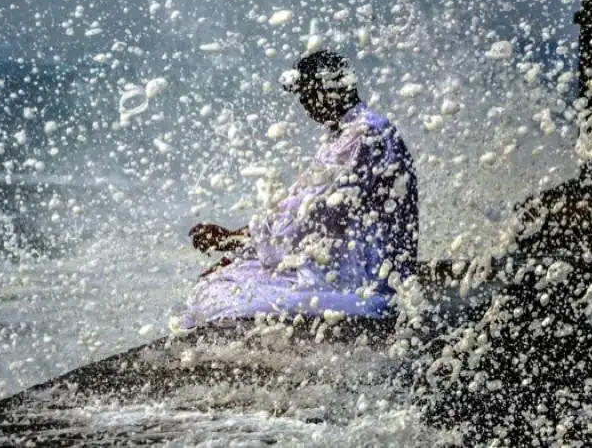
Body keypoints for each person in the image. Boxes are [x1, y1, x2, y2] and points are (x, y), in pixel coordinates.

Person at [172, 50, 419, 332]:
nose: (304, 105)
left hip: (363, 282)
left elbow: (305, 217)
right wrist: (242, 250)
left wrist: (233, 240)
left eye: (306, 95)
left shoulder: (362, 135)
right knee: (219, 284)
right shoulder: (351, 132)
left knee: (217, 297)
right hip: (347, 268)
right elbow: (297, 211)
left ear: (325, 91)